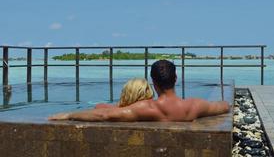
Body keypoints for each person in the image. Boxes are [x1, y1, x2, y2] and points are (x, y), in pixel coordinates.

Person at [48, 60, 230, 122]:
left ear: (153, 82)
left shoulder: (146, 108)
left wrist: (69, 115)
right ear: (176, 79)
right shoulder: (194, 105)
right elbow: (222, 107)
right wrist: (225, 104)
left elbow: (104, 115)